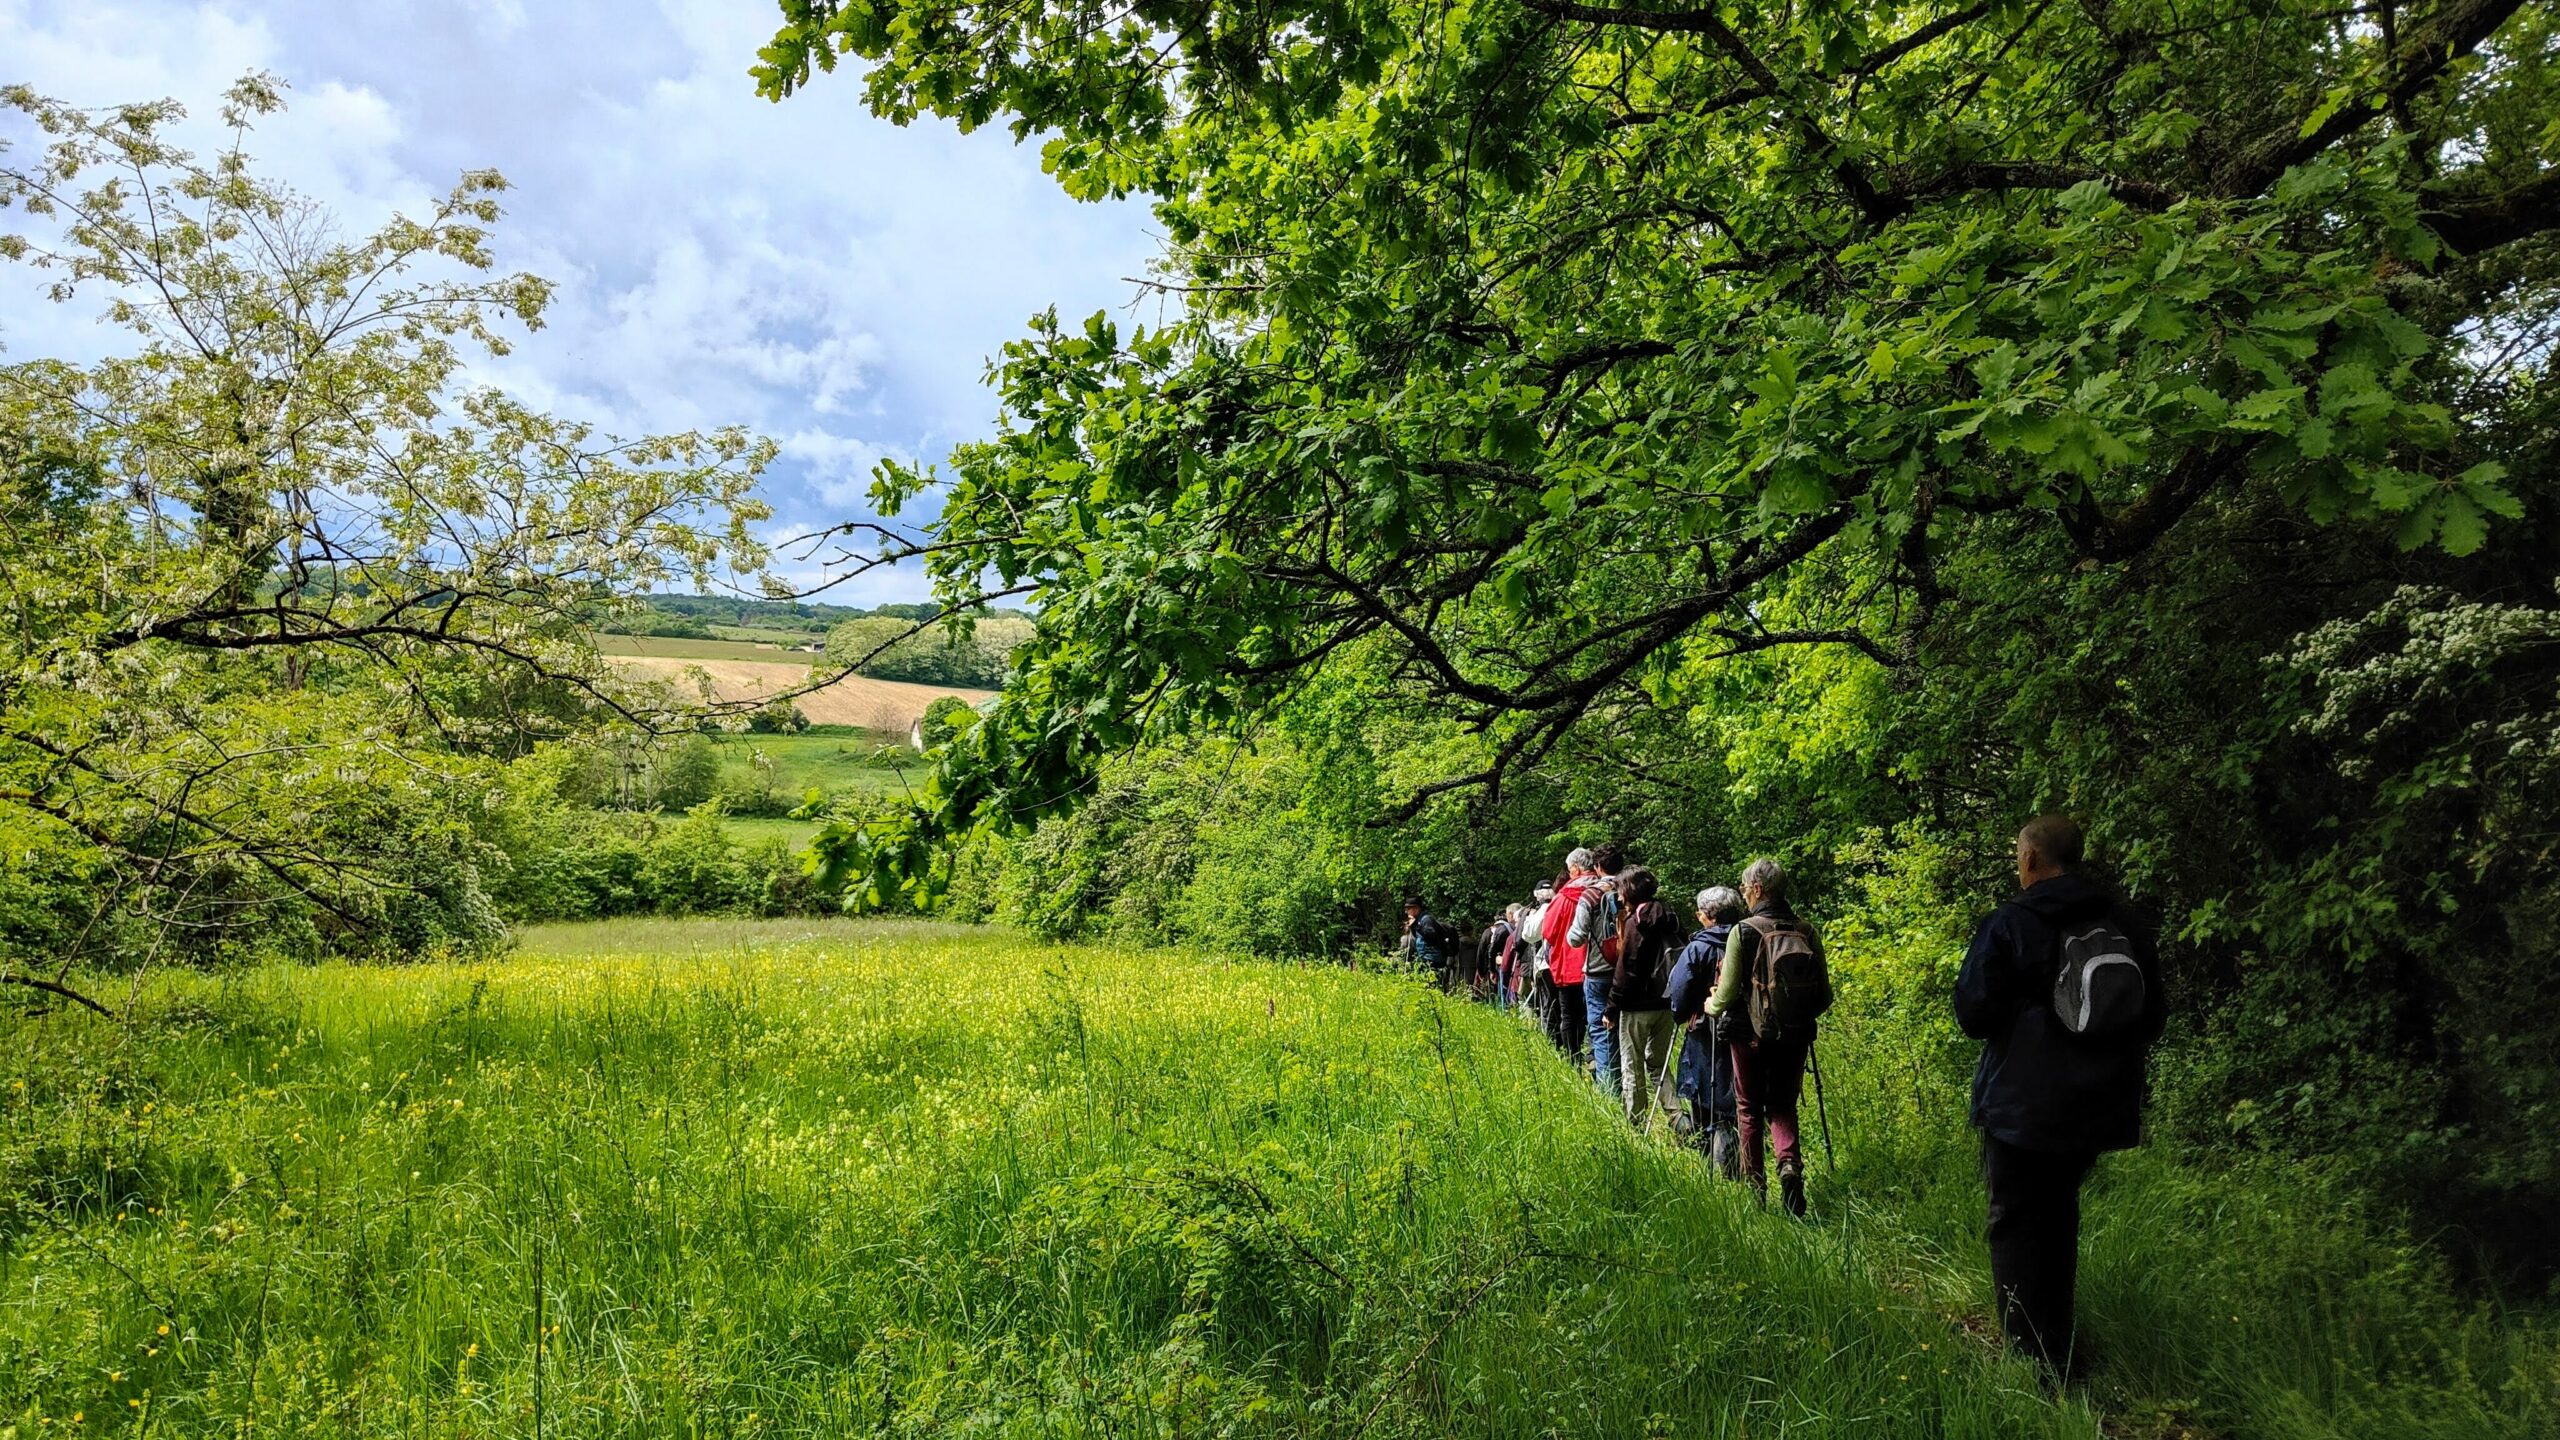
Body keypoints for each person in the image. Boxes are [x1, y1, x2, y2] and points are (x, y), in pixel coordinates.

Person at [1955, 815, 2166, 1382]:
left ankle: (2031, 1360)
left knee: (2016, 1221)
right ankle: (2059, 1342)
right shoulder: (2122, 921)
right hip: (2097, 1105)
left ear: (2029, 859)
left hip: (2023, 1105)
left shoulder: (2009, 924)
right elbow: (2154, 1014)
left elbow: (1973, 1014)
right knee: (2059, 1215)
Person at [1706, 857, 1821, 1216]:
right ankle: (1789, 1166)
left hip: (1749, 1035)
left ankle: (1756, 1189)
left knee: (1749, 1109)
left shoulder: (1744, 931)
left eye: (1744, 887)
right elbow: (1824, 995)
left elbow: (1725, 994)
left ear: (1758, 889)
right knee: (1783, 1105)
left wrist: (1710, 1005)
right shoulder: (1807, 930)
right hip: (1795, 1034)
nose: (1743, 893)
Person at [1668, 886, 1744, 1176]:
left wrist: (1683, 1014)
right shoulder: (1748, 937)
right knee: (1735, 1093)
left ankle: (1713, 1162)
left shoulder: (1698, 947)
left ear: (1709, 916)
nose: (1697, 916)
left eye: (1700, 912)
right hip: (1743, 1027)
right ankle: (1736, 1162)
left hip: (1704, 1029)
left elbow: (1679, 988)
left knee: (1705, 1090)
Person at [1606, 865, 1683, 1128]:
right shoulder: (1669, 916)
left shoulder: (1634, 922)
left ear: (1628, 891)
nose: (1617, 896)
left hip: (1637, 1006)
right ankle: (1677, 1117)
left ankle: (1635, 1125)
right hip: (1666, 1001)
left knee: (1632, 1065)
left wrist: (1612, 1007)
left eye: (1619, 890)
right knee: (1659, 1063)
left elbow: (1627, 967)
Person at [1564, 843, 1625, 1094]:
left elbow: (1576, 938)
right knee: (1627, 1034)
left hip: (1599, 972)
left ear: (1597, 867)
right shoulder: (1631, 890)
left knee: (1601, 1033)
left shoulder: (1590, 895)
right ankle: (1631, 1089)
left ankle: (1610, 1093)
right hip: (1628, 972)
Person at [1541, 856, 1598, 1063]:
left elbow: (1548, 931)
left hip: (1569, 965)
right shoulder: (1607, 889)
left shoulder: (1563, 897)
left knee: (1569, 1016)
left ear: (1574, 869)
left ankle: (1574, 1059)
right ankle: (1598, 1060)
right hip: (1600, 964)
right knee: (1597, 1016)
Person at [1476, 909, 1516, 1005]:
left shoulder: (1487, 932)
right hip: (1509, 966)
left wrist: (1481, 971)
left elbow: (1480, 952)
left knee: (1492, 995)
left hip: (1491, 968)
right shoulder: (1512, 929)